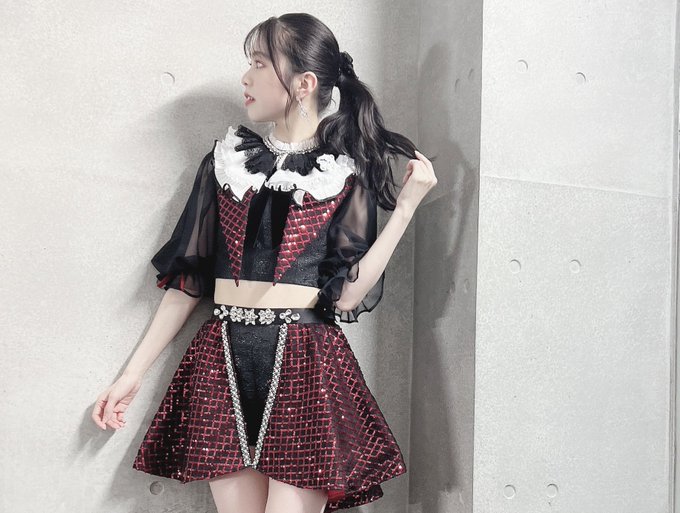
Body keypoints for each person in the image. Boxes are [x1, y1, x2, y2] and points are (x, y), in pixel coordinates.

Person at [91, 12, 437, 513]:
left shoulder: (345, 170)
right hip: (221, 357)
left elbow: (348, 296)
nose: (245, 78)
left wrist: (404, 210)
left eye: (258, 64)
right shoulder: (226, 160)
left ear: (304, 83)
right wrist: (132, 375)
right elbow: (188, 284)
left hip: (305, 362)